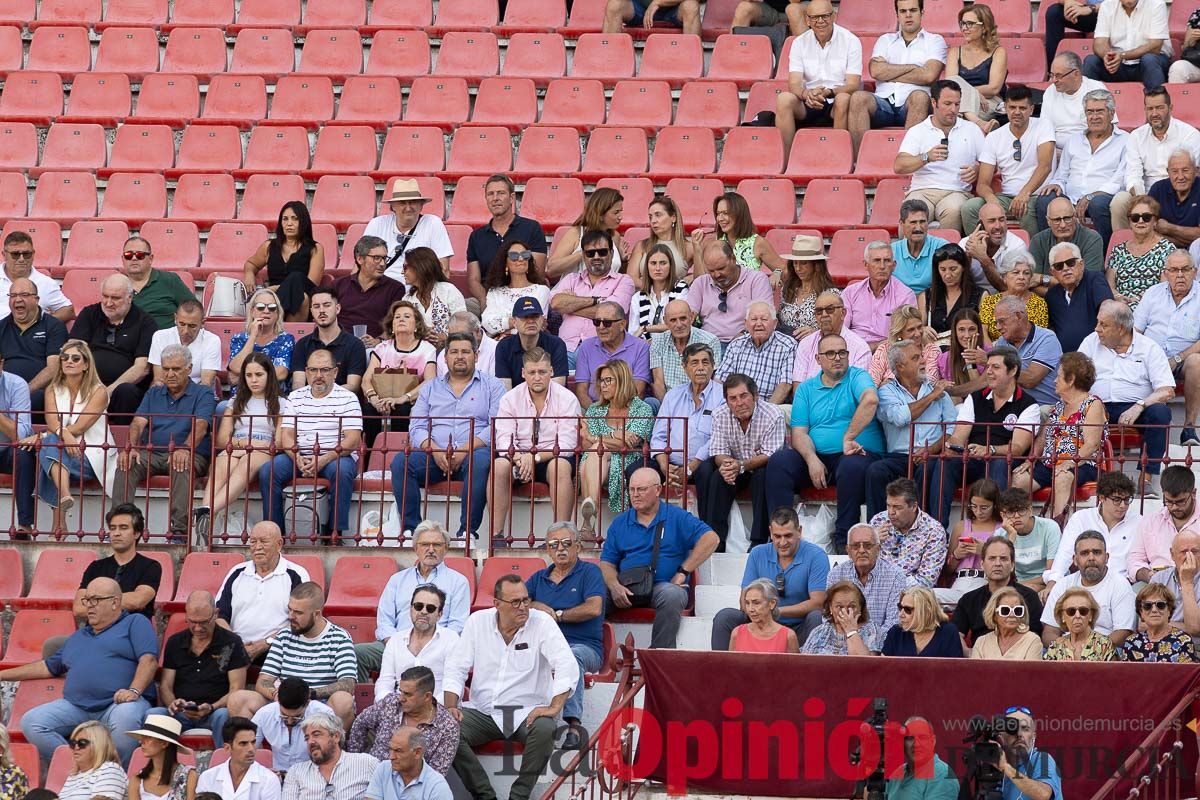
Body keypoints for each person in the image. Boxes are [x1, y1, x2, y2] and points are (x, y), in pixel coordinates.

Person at [444, 575, 578, 800]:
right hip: (483, 711)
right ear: (497, 604)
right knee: (445, 728)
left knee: (546, 729)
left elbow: (566, 664)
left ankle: (519, 796)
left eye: (526, 600)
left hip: (527, 713)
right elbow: (456, 667)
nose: (523, 607)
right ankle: (485, 795)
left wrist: (554, 708)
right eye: (515, 602)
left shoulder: (542, 623)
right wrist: (450, 706)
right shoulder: (477, 622)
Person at [0, 577, 156, 766]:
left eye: (95, 600)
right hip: (77, 707)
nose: (89, 606)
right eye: (87, 600)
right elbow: (47, 667)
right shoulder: (79, 636)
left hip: (118, 704)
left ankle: (115, 775)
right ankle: (81, 770)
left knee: (126, 717)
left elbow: (149, 660)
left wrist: (133, 691)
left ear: (115, 602)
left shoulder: (134, 622)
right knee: (32, 722)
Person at [767, 335, 884, 552]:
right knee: (779, 462)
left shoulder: (858, 376)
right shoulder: (806, 388)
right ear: (818, 359)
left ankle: (844, 541)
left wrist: (849, 438)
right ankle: (780, 534)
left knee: (851, 466)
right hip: (819, 456)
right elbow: (799, 432)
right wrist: (811, 460)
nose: (837, 358)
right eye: (830, 354)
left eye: (842, 352)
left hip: (858, 453)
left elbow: (871, 400)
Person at [390, 334, 502, 540]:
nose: (460, 356)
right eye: (454, 352)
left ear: (476, 356)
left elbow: (496, 427)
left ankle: (467, 533)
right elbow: (416, 426)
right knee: (401, 462)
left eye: (466, 352)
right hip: (434, 456)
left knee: (482, 460)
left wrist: (464, 449)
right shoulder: (430, 388)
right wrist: (434, 448)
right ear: (445, 357)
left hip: (472, 456)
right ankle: (411, 530)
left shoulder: (492, 386)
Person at [600, 467, 720, 649]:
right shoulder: (620, 523)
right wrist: (614, 586)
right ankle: (593, 650)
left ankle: (657, 656)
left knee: (672, 595)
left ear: (658, 490)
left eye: (641, 489)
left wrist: (683, 571)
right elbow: (607, 562)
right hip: (626, 588)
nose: (635, 495)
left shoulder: (676, 516)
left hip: (662, 587)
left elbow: (711, 539)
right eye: (631, 490)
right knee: (593, 596)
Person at [925, 346, 1039, 528]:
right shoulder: (975, 398)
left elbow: (1017, 447)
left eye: (996, 367)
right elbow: (959, 436)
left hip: (1004, 462)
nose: (989, 372)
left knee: (1000, 462)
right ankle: (937, 530)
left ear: (1013, 370)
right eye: (988, 367)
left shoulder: (1028, 405)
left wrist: (990, 450)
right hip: (973, 458)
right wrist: (953, 446)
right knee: (944, 461)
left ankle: (996, 532)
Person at [111, 345, 214, 544]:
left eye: (176, 369)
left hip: (191, 453)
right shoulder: (153, 393)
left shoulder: (203, 393)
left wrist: (184, 448)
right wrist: (131, 447)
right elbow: (138, 423)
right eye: (166, 369)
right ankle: (121, 527)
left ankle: (179, 534)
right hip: (153, 452)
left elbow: (201, 425)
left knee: (181, 463)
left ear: (189, 368)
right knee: (126, 463)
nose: (170, 374)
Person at [263, 348, 362, 543]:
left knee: (342, 472)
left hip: (335, 456)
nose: (318, 376)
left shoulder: (348, 398)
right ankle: (275, 533)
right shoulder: (295, 397)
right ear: (306, 372)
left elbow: (352, 440)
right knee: (269, 471)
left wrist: (323, 459)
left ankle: (334, 534)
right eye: (313, 370)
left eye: (324, 370)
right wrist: (297, 457)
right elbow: (287, 435)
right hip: (299, 455)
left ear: (335, 372)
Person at [228, 582, 357, 729]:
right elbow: (263, 681)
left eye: (298, 613)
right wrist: (277, 695)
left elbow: (348, 684)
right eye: (290, 610)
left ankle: (330, 750)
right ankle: (253, 750)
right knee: (237, 699)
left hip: (320, 704)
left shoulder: (339, 638)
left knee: (343, 700)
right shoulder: (284, 635)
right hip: (283, 703)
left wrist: (308, 694)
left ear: (316, 614)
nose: (290, 616)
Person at [1080, 299, 1174, 495]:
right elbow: (1074, 377)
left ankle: (1145, 479)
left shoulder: (1148, 347)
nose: (1097, 329)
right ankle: (1083, 473)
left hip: (1134, 407)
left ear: (1121, 328)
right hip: (1096, 406)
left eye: (1103, 325)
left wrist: (1140, 405)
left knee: (1160, 412)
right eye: (1098, 322)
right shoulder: (1091, 342)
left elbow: (1167, 390)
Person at [20, 340, 114, 535]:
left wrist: (44, 436)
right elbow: (53, 422)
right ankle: (64, 499)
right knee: (52, 448)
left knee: (48, 447)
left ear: (86, 364)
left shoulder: (99, 391)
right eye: (64, 357)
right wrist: (60, 436)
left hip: (91, 455)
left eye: (75, 358)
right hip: (65, 452)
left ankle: (59, 522)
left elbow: (81, 426)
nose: (68, 361)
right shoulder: (52, 390)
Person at [526, 522, 606, 747]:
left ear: (578, 547)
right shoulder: (538, 578)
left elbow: (594, 607)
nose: (560, 549)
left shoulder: (590, 572)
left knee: (571, 656)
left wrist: (558, 615)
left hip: (585, 647)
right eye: (554, 544)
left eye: (566, 543)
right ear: (548, 550)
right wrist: (535, 605)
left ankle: (573, 725)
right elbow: (517, 604)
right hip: (544, 647)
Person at [198, 353, 292, 537]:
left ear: (269, 375)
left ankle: (205, 512)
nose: (253, 380)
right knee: (223, 464)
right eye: (249, 376)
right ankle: (205, 518)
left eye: (259, 375)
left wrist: (254, 445)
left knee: (245, 464)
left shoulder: (282, 403)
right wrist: (245, 443)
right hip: (238, 444)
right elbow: (222, 439)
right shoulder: (235, 401)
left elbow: (279, 442)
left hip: (264, 449)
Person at [364, 521, 470, 682]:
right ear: (415, 548)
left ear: (446, 549)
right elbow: (384, 620)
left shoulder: (458, 582)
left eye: (437, 545)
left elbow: (458, 626)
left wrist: (430, 645)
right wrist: (397, 646)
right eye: (425, 544)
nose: (431, 549)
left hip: (437, 649)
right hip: (395, 645)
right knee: (357, 654)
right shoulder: (397, 580)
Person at [711, 506, 829, 649]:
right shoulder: (757, 553)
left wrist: (777, 612)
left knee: (817, 617)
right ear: (770, 533)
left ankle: (812, 670)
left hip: (798, 625)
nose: (782, 542)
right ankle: (720, 669)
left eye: (788, 536)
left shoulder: (816, 556)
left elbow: (818, 603)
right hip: (759, 623)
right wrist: (764, 615)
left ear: (799, 532)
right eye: (777, 536)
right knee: (724, 617)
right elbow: (744, 600)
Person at [493, 348, 581, 534]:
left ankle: (560, 535)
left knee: (561, 467)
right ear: (523, 373)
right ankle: (497, 535)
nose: (537, 377)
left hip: (551, 459)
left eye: (542, 372)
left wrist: (534, 458)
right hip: (518, 458)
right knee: (500, 465)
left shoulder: (567, 399)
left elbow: (568, 445)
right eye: (532, 372)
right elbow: (503, 441)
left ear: (551, 372)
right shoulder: (510, 399)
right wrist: (520, 459)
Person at [695, 373, 785, 550]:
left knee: (762, 476)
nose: (739, 403)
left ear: (755, 396)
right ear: (727, 401)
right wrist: (728, 467)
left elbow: (770, 454)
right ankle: (715, 539)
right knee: (716, 475)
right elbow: (718, 452)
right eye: (733, 398)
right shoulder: (720, 414)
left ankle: (758, 541)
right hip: (735, 466)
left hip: (762, 466)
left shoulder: (773, 414)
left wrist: (741, 465)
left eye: (744, 396)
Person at [1012, 356, 1107, 521]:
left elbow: (1092, 444)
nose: (1054, 381)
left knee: (1062, 477)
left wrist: (1069, 462)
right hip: (1050, 463)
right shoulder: (1059, 406)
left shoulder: (1092, 404)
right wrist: (1030, 460)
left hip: (1083, 463)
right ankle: (1022, 526)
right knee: (1019, 479)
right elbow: (1042, 437)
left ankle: (1058, 529)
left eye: (1059, 376)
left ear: (1071, 380)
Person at [846, 0, 947, 156]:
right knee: (858, 98)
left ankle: (907, 160)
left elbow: (928, 76)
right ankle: (860, 161)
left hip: (913, 103)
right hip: (883, 102)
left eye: (913, 10)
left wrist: (891, 72)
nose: (908, 15)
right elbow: (876, 71)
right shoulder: (885, 40)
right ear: (897, 14)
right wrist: (913, 67)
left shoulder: (935, 41)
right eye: (903, 11)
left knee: (920, 97)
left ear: (922, 13)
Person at [153, 590, 248, 748]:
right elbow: (165, 685)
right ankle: (160, 768)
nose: (197, 628)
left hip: (215, 711)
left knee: (223, 715)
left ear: (216, 614)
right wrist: (174, 704)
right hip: (181, 713)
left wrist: (212, 707)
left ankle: (224, 762)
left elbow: (236, 689)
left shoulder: (232, 642)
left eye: (204, 622)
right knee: (152, 715)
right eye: (192, 622)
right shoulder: (175, 642)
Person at [1037, 89, 1128, 250]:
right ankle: (1051, 254)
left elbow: (1120, 180)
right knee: (1045, 199)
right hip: (1071, 199)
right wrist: (1057, 184)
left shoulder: (1125, 141)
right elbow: (1062, 175)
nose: (1094, 117)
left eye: (1100, 111)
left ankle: (1106, 255)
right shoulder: (1073, 141)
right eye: (1089, 112)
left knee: (1098, 204)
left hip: (1102, 200)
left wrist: (1091, 196)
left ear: (1112, 113)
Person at [962, 86, 1055, 238]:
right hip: (1006, 197)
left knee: (1025, 208)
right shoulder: (995, 136)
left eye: (1022, 108)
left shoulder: (1043, 126)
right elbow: (983, 183)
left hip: (1034, 195)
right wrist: (992, 200)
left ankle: (1031, 259)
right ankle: (981, 252)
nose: (1017, 112)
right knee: (970, 208)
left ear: (1031, 109)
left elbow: (1045, 167)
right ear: (1005, 108)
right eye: (1012, 107)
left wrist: (1024, 193)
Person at [895, 80, 985, 235]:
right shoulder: (918, 131)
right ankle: (907, 258)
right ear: (934, 102)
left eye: (957, 104)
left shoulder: (972, 130)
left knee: (954, 210)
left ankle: (947, 258)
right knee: (912, 213)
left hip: (956, 191)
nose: (953, 110)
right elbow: (899, 166)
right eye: (947, 104)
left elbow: (989, 164)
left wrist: (977, 170)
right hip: (922, 190)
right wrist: (926, 157)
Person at [774, 0, 862, 159]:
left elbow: (853, 84)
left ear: (834, 16)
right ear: (807, 20)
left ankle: (837, 158)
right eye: (815, 17)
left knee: (843, 99)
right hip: (809, 100)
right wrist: (806, 94)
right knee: (783, 99)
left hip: (836, 100)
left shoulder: (851, 40)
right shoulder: (799, 43)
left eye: (825, 16)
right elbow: (793, 83)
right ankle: (786, 160)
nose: (820, 21)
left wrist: (829, 92)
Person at [215, 521, 311, 665]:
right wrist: (235, 643)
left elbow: (299, 621)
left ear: (279, 544)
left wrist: (264, 644)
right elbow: (219, 615)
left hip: (278, 648)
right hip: (235, 646)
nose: (257, 547)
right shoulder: (237, 572)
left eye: (264, 542)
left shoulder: (296, 575)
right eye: (253, 542)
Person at [577, 359, 655, 530]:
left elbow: (628, 443)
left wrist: (594, 437)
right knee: (596, 452)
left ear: (622, 380)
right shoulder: (595, 410)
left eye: (608, 380)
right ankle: (592, 505)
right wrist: (613, 437)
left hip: (630, 460)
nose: (603, 385)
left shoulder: (642, 409)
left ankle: (588, 521)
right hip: (598, 462)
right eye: (601, 381)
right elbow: (584, 443)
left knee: (596, 450)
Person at [70, 274, 157, 423]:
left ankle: (123, 441)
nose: (108, 303)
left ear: (129, 298)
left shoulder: (146, 322)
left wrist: (106, 392)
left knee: (126, 391)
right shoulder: (89, 314)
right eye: (105, 296)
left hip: (121, 391)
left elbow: (142, 368)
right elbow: (73, 352)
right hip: (87, 384)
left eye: (115, 298)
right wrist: (90, 386)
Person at [1113, 88, 1200, 231]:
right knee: (1119, 201)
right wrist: (1143, 202)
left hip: (1176, 193)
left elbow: (1190, 174)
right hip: (1145, 193)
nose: (1154, 114)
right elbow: (1133, 174)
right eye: (1150, 108)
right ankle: (1125, 248)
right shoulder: (1136, 136)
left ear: (1170, 108)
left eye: (1159, 108)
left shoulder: (1190, 135)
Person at [549, 229, 636, 366]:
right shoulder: (572, 279)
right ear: (583, 256)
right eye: (590, 253)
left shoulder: (624, 281)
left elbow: (611, 314)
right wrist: (595, 301)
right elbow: (555, 303)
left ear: (612, 253)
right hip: (567, 350)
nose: (596, 257)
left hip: (603, 350)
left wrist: (571, 307)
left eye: (602, 252)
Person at [351, 665, 458, 772]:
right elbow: (360, 723)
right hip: (370, 775)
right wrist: (355, 762)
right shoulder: (390, 703)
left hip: (412, 785)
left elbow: (437, 772)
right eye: (400, 691)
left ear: (427, 697)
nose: (401, 698)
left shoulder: (447, 727)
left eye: (407, 694)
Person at [466, 174, 549, 313]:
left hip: (525, 294)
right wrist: (485, 300)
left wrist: (511, 299)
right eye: (490, 194)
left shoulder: (532, 228)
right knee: (462, 310)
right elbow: (473, 279)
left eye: (501, 193)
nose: (495, 198)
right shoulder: (476, 236)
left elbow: (537, 272)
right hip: (488, 297)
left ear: (511, 198)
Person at [1046, 470, 1140, 590]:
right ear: (1102, 497)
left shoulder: (1138, 521)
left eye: (1127, 500)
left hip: (1125, 585)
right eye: (1117, 499)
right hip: (1086, 583)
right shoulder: (1081, 518)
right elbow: (1065, 553)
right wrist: (1053, 580)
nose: (1123, 505)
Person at [651, 342, 723, 496]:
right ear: (684, 367)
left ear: (713, 366)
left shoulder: (722, 396)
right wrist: (665, 466)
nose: (701, 368)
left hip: (703, 463)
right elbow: (659, 436)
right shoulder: (673, 395)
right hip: (671, 464)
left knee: (707, 470)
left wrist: (691, 466)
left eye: (705, 362)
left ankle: (705, 520)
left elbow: (719, 438)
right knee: (637, 469)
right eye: (694, 363)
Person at [1041, 531, 1136, 645]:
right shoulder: (1062, 585)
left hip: (1106, 652)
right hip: (1066, 652)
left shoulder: (1120, 584)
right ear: (1075, 560)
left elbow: (1123, 632)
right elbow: (1049, 632)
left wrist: (1091, 652)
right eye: (1085, 553)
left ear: (1106, 557)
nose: (1091, 558)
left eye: (1097, 552)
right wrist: (1065, 650)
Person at [72, 504, 160, 622]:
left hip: (131, 632)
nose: (116, 533)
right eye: (113, 528)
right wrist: (116, 603)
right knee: (55, 641)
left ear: (137, 533)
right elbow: (78, 608)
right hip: (96, 633)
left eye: (123, 528)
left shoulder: (150, 566)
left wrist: (95, 602)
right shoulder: (95, 567)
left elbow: (137, 601)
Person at [373, 579, 462, 694]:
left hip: (436, 708)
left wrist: (431, 708)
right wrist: (390, 706)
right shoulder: (395, 640)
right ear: (411, 610)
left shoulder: (451, 640)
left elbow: (453, 682)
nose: (424, 612)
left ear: (439, 615)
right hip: (397, 706)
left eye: (430, 608)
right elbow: (385, 682)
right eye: (418, 606)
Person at [361, 300, 438, 433]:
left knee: (402, 409)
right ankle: (369, 453)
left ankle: (399, 451)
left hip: (410, 400)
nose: (401, 319)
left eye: (407, 316)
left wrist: (403, 398)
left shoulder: (427, 349)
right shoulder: (382, 348)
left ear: (417, 325)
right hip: (381, 398)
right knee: (369, 409)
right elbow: (366, 380)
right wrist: (373, 398)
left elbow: (430, 380)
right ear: (391, 326)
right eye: (397, 317)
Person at [952, 536, 1045, 644]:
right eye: (992, 558)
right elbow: (956, 634)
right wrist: (969, 653)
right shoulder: (969, 599)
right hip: (980, 656)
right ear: (982, 565)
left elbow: (1035, 636)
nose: (997, 563)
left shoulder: (1029, 597)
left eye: (1003, 558)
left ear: (1012, 566)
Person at [243, 202, 324, 322]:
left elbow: (311, 284)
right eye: (285, 219)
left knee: (299, 285)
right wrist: (249, 275)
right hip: (274, 300)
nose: (289, 224)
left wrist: (273, 289)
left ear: (304, 222)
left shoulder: (315, 248)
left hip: (299, 303)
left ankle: (272, 313)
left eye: (295, 219)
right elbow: (251, 264)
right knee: (299, 292)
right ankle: (275, 312)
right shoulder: (269, 246)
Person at [0, 276, 68, 415]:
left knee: (38, 398)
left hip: (39, 392)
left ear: (36, 299)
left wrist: (23, 392)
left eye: (24, 295)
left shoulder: (54, 326)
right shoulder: (1, 327)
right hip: (5, 392)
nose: (18, 299)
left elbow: (54, 368)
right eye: (13, 295)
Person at [687, 240, 774, 346]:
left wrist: (741, 337)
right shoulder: (700, 283)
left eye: (721, 268)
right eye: (711, 271)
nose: (717, 275)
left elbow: (764, 318)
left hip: (746, 343)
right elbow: (688, 315)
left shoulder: (756, 280)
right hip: (707, 345)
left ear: (733, 259)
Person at [365, 179, 453, 282]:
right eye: (402, 203)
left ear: (421, 205)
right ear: (392, 206)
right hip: (381, 289)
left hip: (418, 290)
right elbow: (361, 264)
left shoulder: (433, 223)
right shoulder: (377, 224)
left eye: (413, 202)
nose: (408, 208)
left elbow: (443, 269)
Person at [870, 478, 948, 592]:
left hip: (911, 596)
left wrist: (887, 585)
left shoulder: (934, 531)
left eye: (897, 507)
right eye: (888, 505)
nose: (891, 512)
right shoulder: (879, 520)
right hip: (875, 590)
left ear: (913, 506)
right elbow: (861, 564)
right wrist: (870, 542)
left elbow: (926, 581)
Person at [827, 523, 907, 632]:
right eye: (855, 546)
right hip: (842, 640)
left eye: (867, 545)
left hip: (881, 643)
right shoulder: (836, 574)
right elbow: (828, 616)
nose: (861, 550)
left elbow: (893, 623)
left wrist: (868, 641)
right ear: (848, 551)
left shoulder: (895, 576)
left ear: (878, 549)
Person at [713, 302, 796, 404]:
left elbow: (785, 386)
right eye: (754, 319)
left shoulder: (787, 345)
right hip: (736, 406)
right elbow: (720, 380)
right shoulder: (736, 345)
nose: (759, 323)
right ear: (746, 323)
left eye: (764, 319)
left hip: (769, 407)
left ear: (775, 323)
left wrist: (765, 413)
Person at [247, 677, 335, 773]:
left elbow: (332, 755)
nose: (289, 721)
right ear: (278, 701)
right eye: (284, 715)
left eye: (297, 717)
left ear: (307, 703)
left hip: (314, 775)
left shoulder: (324, 714)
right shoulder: (265, 713)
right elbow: (247, 747)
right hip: (277, 776)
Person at [280, 714, 378, 798]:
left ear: (336, 737)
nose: (310, 742)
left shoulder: (366, 763)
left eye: (316, 735)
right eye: (307, 738)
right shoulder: (296, 772)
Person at [332, 235, 407, 344]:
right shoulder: (338, 285)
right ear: (360, 259)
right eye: (376, 258)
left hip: (374, 347)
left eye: (385, 258)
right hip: (340, 343)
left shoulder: (395, 288)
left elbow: (395, 323)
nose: (382, 264)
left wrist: (379, 340)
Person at [1130, 467, 1200, 584]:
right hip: (1157, 585)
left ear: (1193, 493)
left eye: (1180, 501)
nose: (1174, 507)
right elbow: (1134, 560)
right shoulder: (1151, 521)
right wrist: (1148, 575)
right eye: (1169, 501)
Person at [573, 302, 651, 406]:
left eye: (607, 323)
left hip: (628, 408)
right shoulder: (586, 347)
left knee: (651, 403)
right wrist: (596, 416)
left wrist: (617, 415)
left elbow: (638, 391)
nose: (600, 327)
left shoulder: (640, 347)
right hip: (594, 408)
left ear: (622, 324)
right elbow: (581, 391)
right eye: (597, 322)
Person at [696, 192, 787, 281]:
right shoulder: (713, 242)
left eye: (725, 213)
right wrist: (697, 248)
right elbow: (701, 282)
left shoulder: (757, 243)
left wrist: (777, 273)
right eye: (718, 213)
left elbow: (784, 270)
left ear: (739, 214)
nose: (720, 218)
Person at [842, 243, 919, 348]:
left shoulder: (905, 295)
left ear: (894, 265)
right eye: (877, 260)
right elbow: (842, 330)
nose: (882, 266)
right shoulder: (850, 293)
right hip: (852, 350)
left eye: (887, 261)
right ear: (866, 265)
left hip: (888, 351)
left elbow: (907, 336)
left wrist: (877, 347)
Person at [991, 294, 1063, 408]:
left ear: (1019, 316)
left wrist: (991, 362)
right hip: (1013, 406)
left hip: (1044, 407)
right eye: (996, 323)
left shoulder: (1046, 338)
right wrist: (954, 392)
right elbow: (986, 380)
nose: (998, 327)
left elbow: (1031, 380)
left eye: (1002, 321)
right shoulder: (1002, 341)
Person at [289, 288, 366, 393]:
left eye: (327, 305)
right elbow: (298, 383)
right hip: (309, 403)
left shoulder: (355, 344)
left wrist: (323, 394)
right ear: (311, 311)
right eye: (316, 306)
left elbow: (353, 386)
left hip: (342, 403)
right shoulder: (302, 344)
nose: (321, 310)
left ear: (337, 309)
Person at [1082, 0, 1171, 90]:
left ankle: (1157, 102)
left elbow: (1155, 46)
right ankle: (1087, 101)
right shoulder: (1107, 5)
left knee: (1149, 59)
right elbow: (1099, 43)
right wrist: (1108, 56)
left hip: (1150, 62)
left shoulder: (1156, 4)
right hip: (1118, 64)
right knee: (1091, 61)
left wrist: (1122, 56)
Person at [939, 479, 1003, 603]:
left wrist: (985, 551)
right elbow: (947, 570)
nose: (978, 512)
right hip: (960, 581)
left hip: (986, 582)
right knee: (924, 596)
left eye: (984, 507)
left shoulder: (1002, 529)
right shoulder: (961, 526)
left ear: (994, 505)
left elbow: (1009, 564)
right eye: (974, 506)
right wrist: (957, 554)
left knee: (972, 600)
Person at [546, 187, 629, 280]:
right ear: (600, 214)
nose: (620, 217)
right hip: (572, 292)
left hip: (606, 292)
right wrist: (582, 254)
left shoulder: (615, 236)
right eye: (616, 212)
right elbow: (551, 269)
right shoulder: (576, 233)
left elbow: (617, 275)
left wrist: (623, 261)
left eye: (621, 211)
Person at [1045, 242, 1114, 353]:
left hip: (1097, 355)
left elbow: (1109, 309)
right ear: (1052, 272)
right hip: (1065, 360)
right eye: (1059, 266)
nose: (1066, 269)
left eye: (1071, 263)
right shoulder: (1052, 295)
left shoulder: (1094, 279)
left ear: (1081, 264)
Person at [1108, 197, 1177, 309]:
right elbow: (1109, 284)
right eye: (1135, 218)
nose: (1140, 221)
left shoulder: (1167, 249)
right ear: (1129, 222)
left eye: (1146, 217)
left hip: (1153, 307)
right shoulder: (1118, 250)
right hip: (1119, 308)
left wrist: (1141, 299)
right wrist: (1117, 296)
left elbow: (1165, 287)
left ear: (1155, 221)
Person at [792, 291, 872, 386]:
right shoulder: (806, 344)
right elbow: (798, 386)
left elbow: (858, 390)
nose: (824, 315)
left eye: (830, 309)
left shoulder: (860, 348)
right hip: (810, 400)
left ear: (843, 313)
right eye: (819, 311)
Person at [1041, 52, 1116, 149]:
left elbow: (1109, 127)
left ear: (1076, 74)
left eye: (1059, 76)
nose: (1054, 80)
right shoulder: (1050, 91)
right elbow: (1045, 129)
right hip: (1056, 150)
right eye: (1052, 75)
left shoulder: (1096, 88)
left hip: (1088, 148)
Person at [994, 488, 1062, 595]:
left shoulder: (1049, 527)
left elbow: (1052, 572)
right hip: (1018, 584)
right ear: (1003, 515)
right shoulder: (1000, 534)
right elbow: (1002, 571)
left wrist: (1019, 585)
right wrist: (1011, 537)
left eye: (1021, 510)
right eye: (1011, 512)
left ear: (1030, 511)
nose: (1016, 516)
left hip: (1049, 583)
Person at [195, 717, 282, 800]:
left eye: (253, 742)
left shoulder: (269, 779)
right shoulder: (207, 777)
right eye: (243, 744)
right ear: (227, 747)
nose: (251, 749)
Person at [120, 237, 196, 331]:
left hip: (166, 343)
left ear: (151, 259)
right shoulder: (116, 285)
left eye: (140, 255)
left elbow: (194, 310)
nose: (134, 258)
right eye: (128, 255)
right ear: (123, 259)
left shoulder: (169, 280)